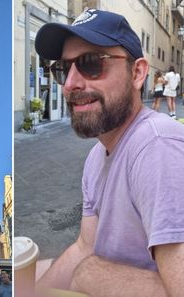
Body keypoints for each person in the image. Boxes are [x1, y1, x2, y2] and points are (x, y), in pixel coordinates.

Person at [34, 7, 184, 297]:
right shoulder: (97, 155)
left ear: (138, 73)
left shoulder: (157, 147)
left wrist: (90, 274)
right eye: (64, 69)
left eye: (90, 63)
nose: (70, 84)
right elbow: (85, 246)